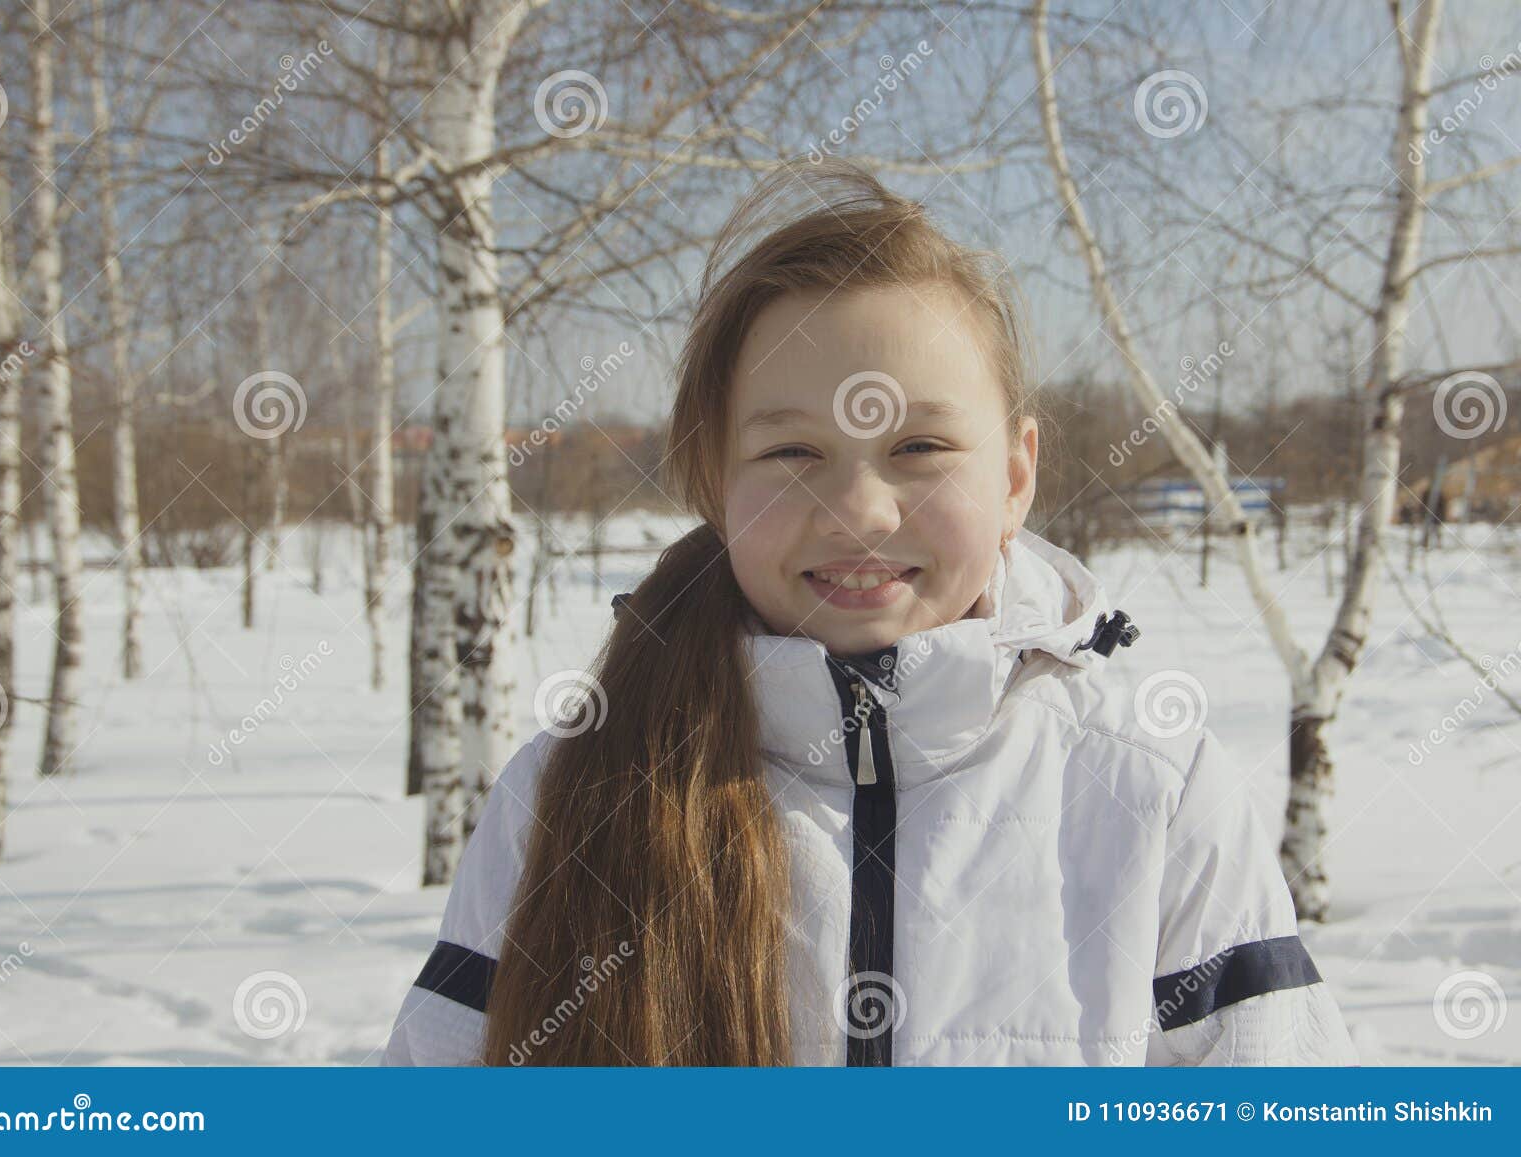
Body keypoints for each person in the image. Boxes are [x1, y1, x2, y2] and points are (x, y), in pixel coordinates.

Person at [382, 157, 1358, 1067]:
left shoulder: (1146, 784)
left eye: (921, 446)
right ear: (716, 477)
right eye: (791, 453)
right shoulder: (570, 784)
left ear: (1016, 473)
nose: (856, 511)